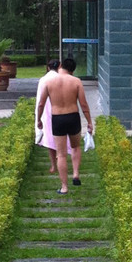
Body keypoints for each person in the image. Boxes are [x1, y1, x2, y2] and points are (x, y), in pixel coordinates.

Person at [36, 56, 93, 195]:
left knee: (60, 155)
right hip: (73, 117)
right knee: (75, 146)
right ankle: (75, 173)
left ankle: (64, 187)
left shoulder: (49, 82)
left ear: (60, 65)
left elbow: (41, 103)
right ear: (72, 71)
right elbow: (84, 105)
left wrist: (39, 119)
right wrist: (89, 121)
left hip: (58, 119)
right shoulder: (76, 81)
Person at [34, 58, 64, 174]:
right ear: (59, 66)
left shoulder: (43, 80)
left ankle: (53, 165)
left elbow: (40, 101)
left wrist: (38, 118)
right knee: (60, 137)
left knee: (50, 139)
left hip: (47, 112)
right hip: (60, 110)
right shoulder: (61, 78)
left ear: (48, 67)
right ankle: (60, 160)